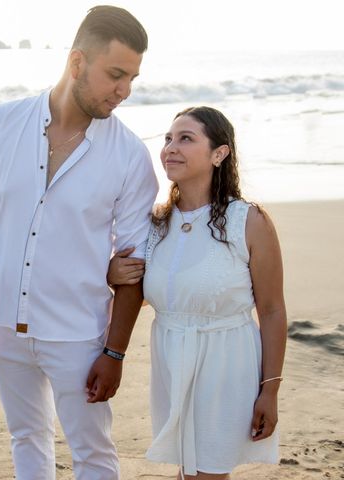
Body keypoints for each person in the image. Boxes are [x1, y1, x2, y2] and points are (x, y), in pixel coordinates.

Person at [0, 5, 158, 479]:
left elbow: (136, 261)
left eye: (133, 79)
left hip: (79, 333)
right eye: (116, 74)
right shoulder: (1, 125)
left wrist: (115, 353)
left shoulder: (128, 155)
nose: (124, 91)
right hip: (6, 324)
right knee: (26, 438)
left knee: (94, 454)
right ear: (77, 63)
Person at [108, 106, 287, 479]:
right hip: (172, 359)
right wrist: (112, 273)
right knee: (190, 470)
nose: (171, 148)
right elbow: (146, 291)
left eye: (186, 139)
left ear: (219, 154)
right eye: (169, 139)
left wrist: (269, 390)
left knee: (206, 473)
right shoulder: (156, 222)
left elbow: (271, 310)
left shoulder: (248, 221)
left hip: (226, 361)